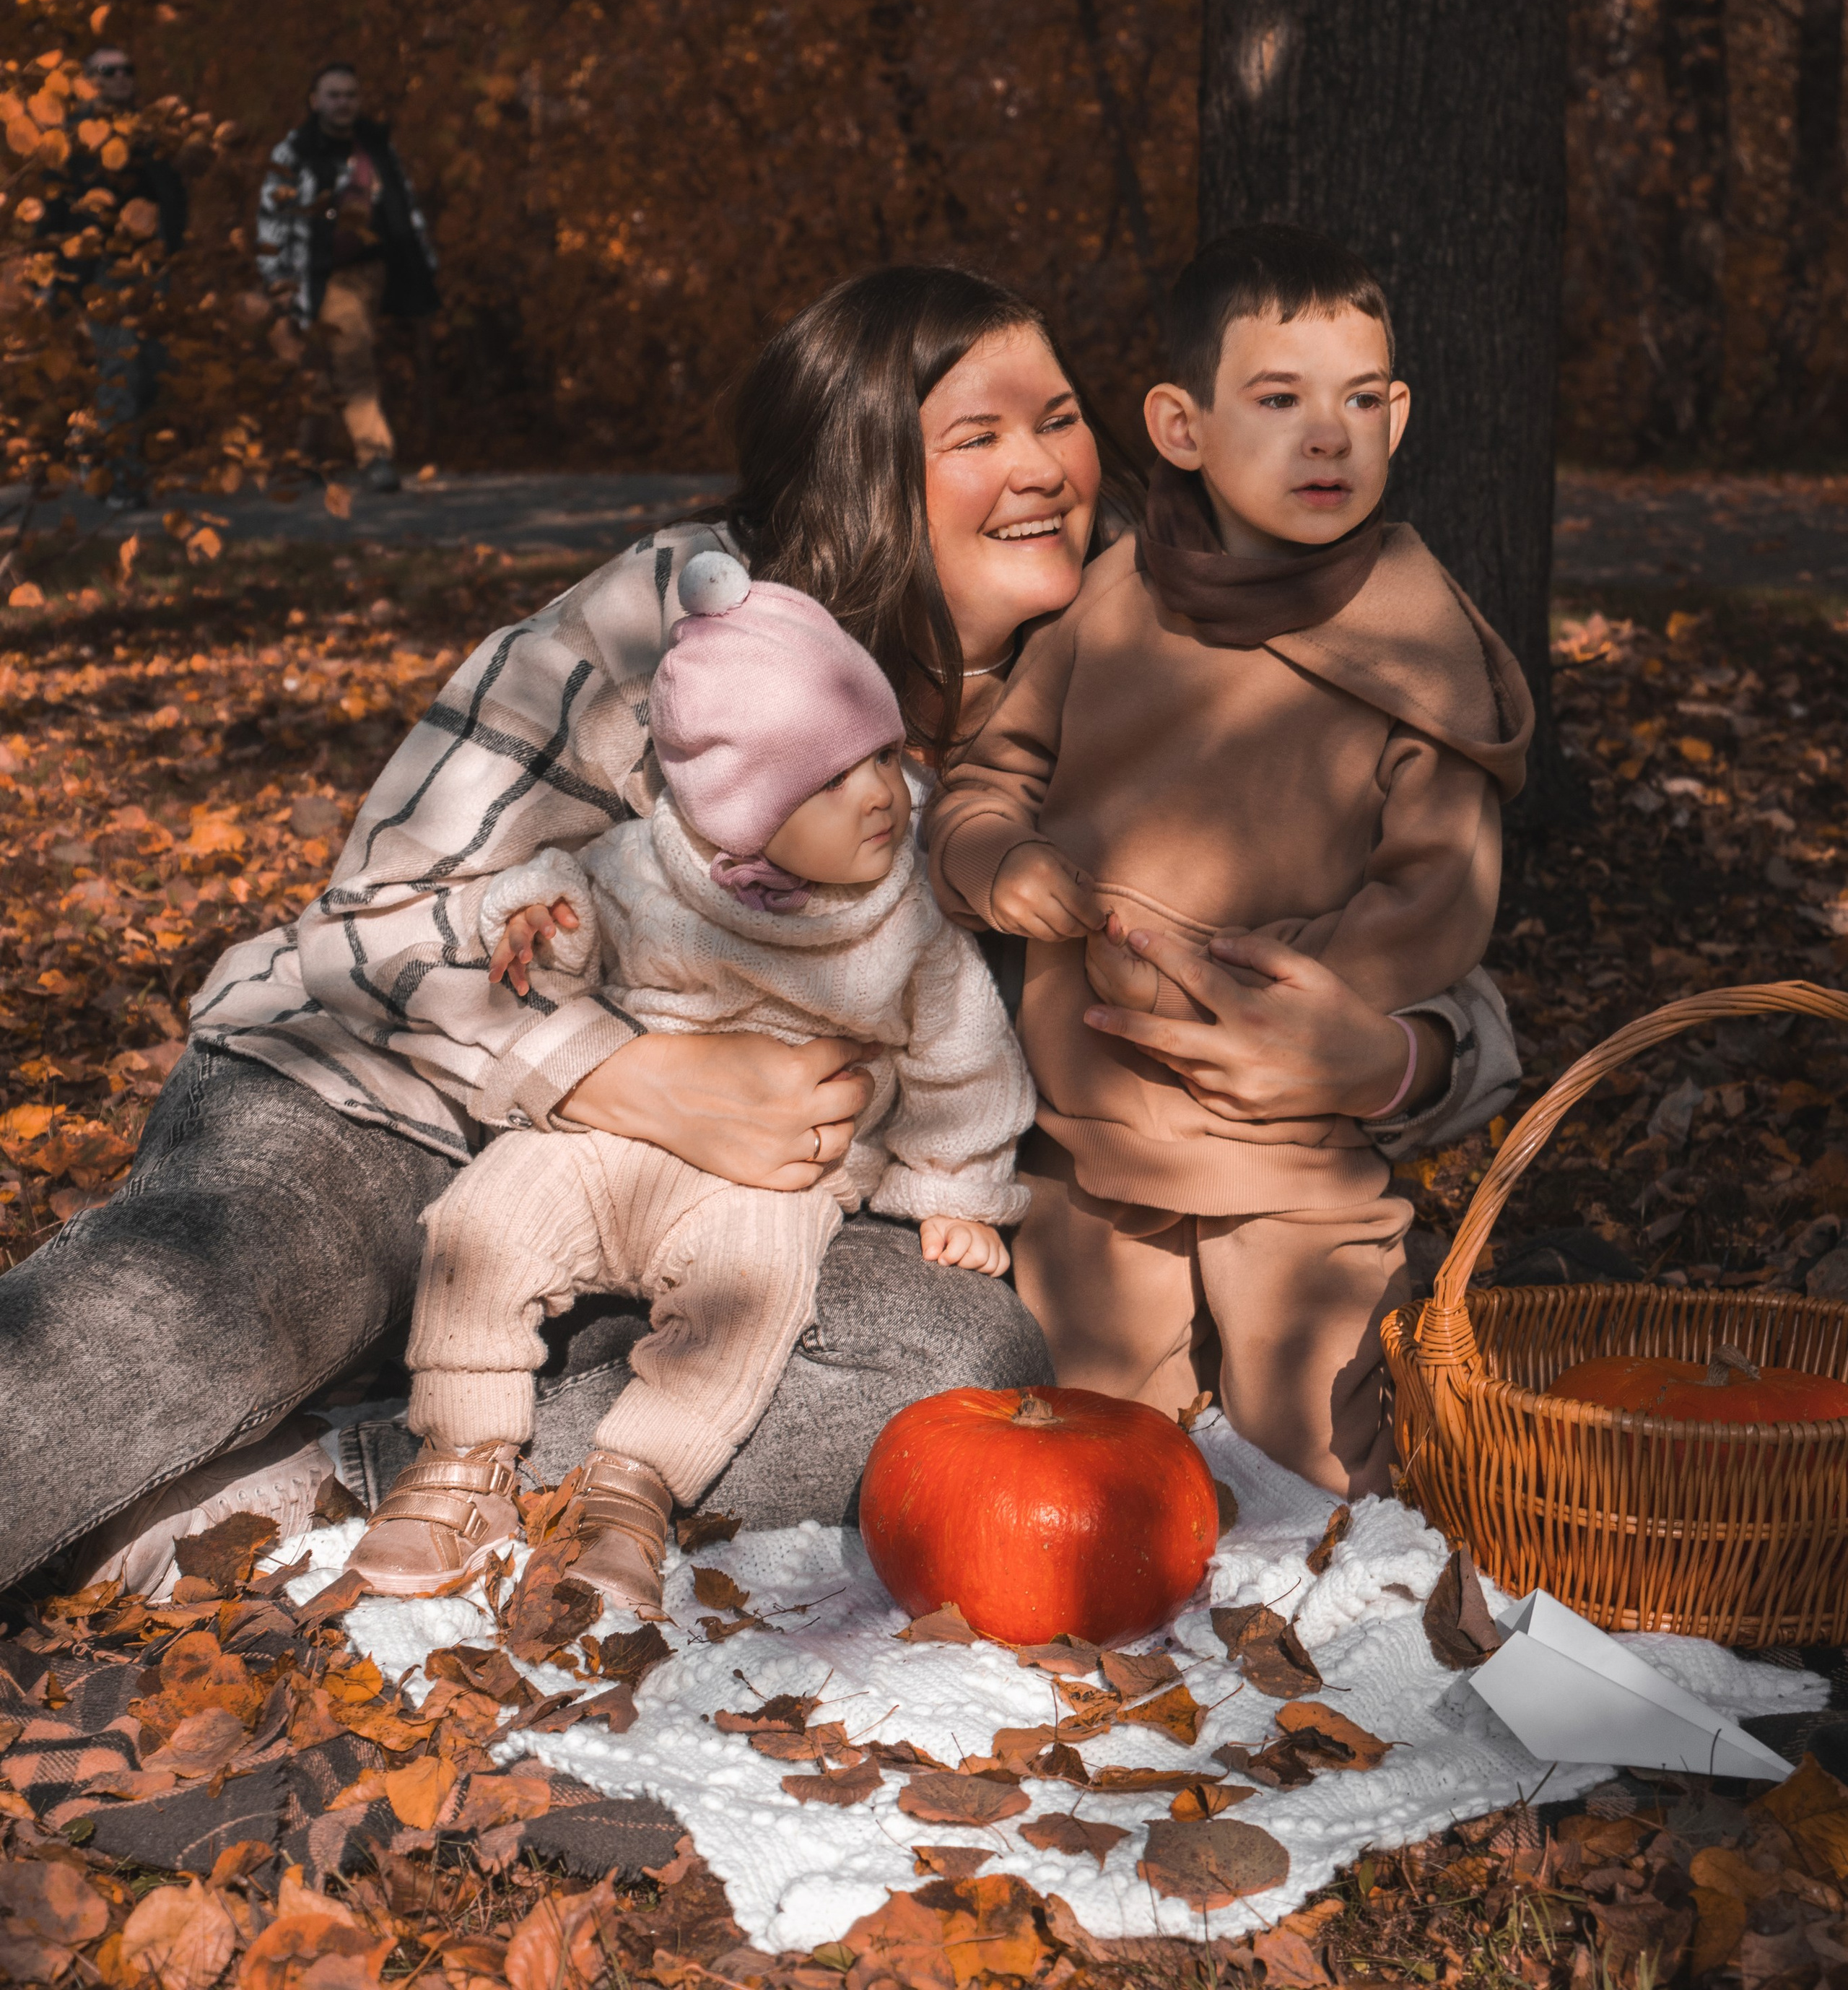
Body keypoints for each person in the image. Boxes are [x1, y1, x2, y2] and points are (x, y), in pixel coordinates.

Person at [0, 263, 1517, 1603]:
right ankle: (257, 1382)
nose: (1046, 467)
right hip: (384, 1118)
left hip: (724, 1241)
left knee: (966, 1366)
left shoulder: (1137, 661)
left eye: (1058, 419)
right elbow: (368, 924)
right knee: (207, 1318)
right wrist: (610, 1073)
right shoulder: (682, 618)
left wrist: (1389, 1056)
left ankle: (326, 1480)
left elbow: (1428, 949)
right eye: (974, 436)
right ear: (866, 473)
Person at [928, 225, 1534, 1496]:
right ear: (1182, 426)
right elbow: (993, 776)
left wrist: (1281, 987)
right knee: (1091, 1457)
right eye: (1279, 400)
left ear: (1399, 415)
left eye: (1362, 401)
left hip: (1288, 1140)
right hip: (1091, 1136)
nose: (1329, 434)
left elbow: (1439, 894)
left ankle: (1343, 1646)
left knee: (1319, 1461)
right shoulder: (1113, 599)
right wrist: (1002, 858)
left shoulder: (1421, 649)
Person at [347, 562, 1032, 1607]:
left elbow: (965, 1062)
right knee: (483, 1219)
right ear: (737, 808)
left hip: (771, 1183)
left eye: (890, 758)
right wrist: (540, 919)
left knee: (755, 1299)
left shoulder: (907, 923)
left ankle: (633, 1488)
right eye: (835, 779)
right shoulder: (651, 868)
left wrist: (954, 1193)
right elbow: (576, 936)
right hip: (602, 1145)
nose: (885, 795)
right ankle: (459, 1455)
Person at [255, 62, 437, 492]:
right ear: (315, 101)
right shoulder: (294, 150)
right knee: (311, 363)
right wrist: (275, 279)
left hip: (361, 271)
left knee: (351, 352)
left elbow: (404, 205)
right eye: (334, 95)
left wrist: (422, 262)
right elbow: (271, 215)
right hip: (304, 272)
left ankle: (374, 456)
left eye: (350, 95)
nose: (343, 103)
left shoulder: (374, 147)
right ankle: (309, 455)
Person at [35, 48, 188, 504]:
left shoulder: (150, 132)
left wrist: (170, 252)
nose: (121, 77)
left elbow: (174, 197)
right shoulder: (70, 136)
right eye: (109, 71)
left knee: (150, 368)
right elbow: (54, 207)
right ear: (88, 81)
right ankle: (120, 478)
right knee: (119, 366)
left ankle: (92, 447)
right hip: (96, 269)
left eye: (128, 69)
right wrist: (50, 273)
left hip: (148, 267)